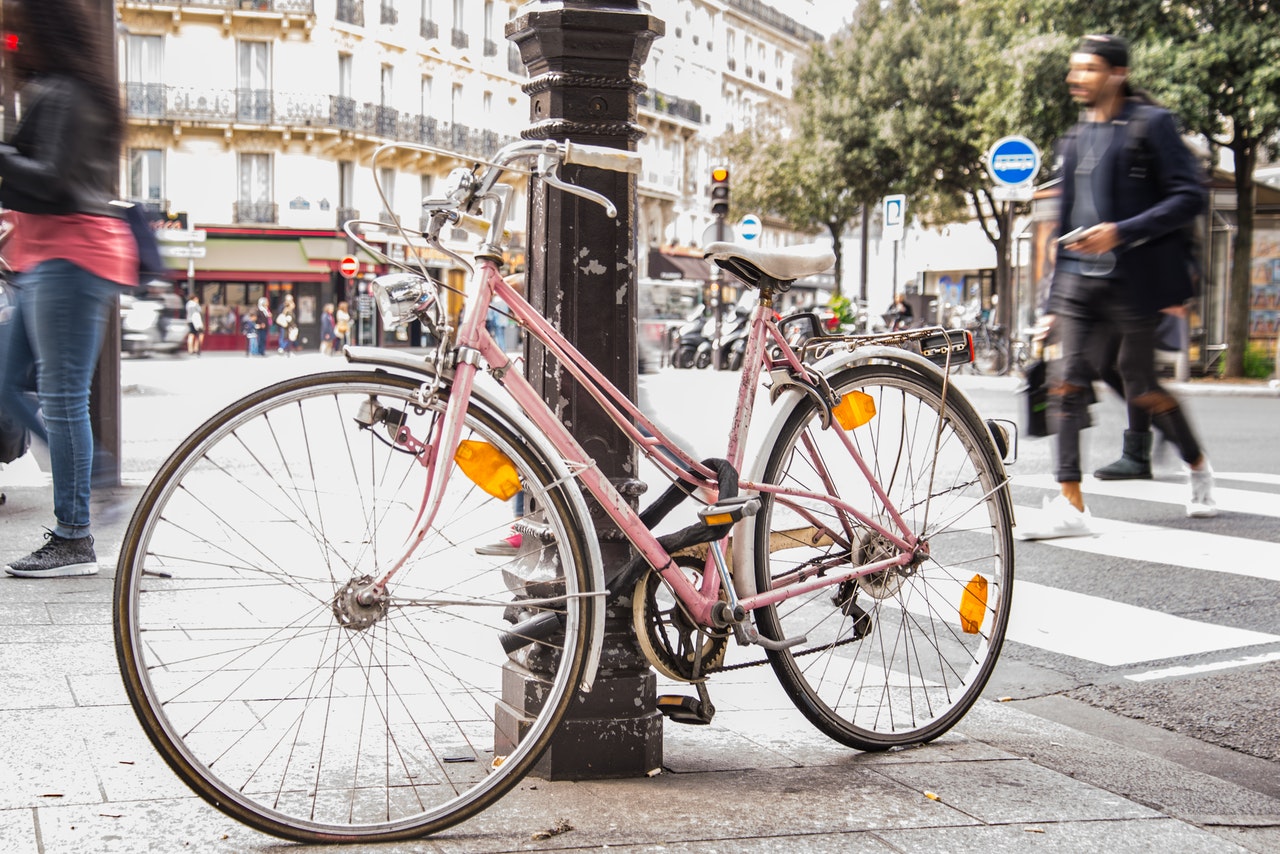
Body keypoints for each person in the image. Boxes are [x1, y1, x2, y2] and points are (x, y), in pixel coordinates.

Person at [1018, 34, 1214, 541]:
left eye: (1086, 69)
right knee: (1066, 383)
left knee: (1140, 385)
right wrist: (1051, 302)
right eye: (1074, 69)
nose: (1074, 78)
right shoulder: (1074, 138)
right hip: (1080, 286)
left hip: (1134, 280)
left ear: (1116, 74)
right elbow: (1064, 224)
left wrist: (1121, 233)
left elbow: (1189, 195)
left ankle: (1196, 463)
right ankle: (1071, 504)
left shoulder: (1151, 125)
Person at [0, 0, 138, 577]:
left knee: (60, 399)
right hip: (46, 257)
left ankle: (74, 535)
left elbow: (53, 180)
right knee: (8, 384)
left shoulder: (66, 93)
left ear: (39, 31)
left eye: (16, 32)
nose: (12, 42)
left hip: (70, 257)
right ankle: (94, 476)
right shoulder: (59, 89)